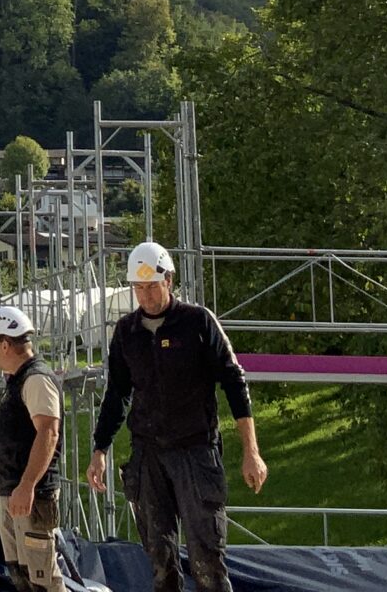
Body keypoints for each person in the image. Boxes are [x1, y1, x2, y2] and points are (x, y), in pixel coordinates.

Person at [88, 241, 266, 592]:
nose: (146, 296)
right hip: (148, 453)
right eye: (138, 288)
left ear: (168, 280)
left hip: (195, 450)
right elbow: (117, 394)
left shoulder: (197, 322)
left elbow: (234, 382)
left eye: (152, 286)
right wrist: (100, 449)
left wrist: (252, 452)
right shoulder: (126, 332)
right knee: (159, 559)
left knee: (206, 559)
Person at [0, 305, 64, 592]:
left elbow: (48, 432)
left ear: (4, 344)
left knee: (43, 578)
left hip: (31, 494)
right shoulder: (19, 379)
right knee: (22, 575)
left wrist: (27, 485)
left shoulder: (36, 379)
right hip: (14, 491)